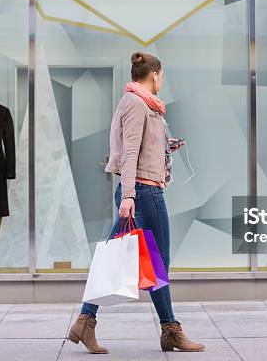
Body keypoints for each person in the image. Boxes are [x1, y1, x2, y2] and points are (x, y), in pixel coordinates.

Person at [67, 51, 205, 354]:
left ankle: (85, 321)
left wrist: (166, 147)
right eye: (162, 76)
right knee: (159, 264)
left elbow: (139, 147)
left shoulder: (143, 104)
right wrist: (128, 195)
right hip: (143, 194)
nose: (162, 81)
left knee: (119, 259)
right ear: (154, 75)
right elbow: (129, 153)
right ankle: (170, 329)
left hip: (140, 191)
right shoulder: (137, 103)